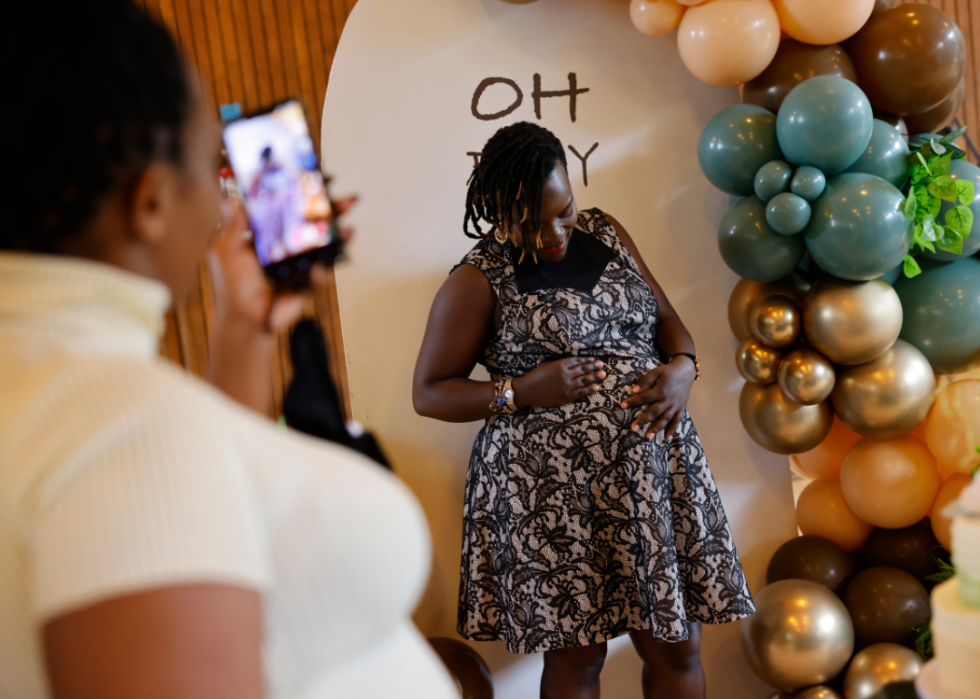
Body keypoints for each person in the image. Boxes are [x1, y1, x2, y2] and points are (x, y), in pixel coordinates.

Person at [0, 3, 458, 698]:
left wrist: (244, 331)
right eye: (207, 155)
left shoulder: (55, 387)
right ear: (151, 201)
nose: (225, 197)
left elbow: (207, 504)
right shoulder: (126, 425)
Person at [413, 122, 755, 699]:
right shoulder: (477, 279)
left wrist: (682, 368)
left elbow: (668, 319)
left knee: (677, 643)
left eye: (563, 210)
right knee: (579, 660)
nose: (553, 233)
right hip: (550, 491)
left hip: (648, 474)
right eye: (530, 221)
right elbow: (429, 392)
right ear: (496, 208)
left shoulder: (606, 230)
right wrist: (519, 390)